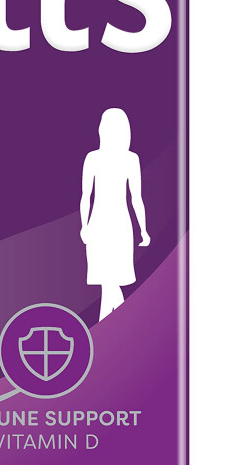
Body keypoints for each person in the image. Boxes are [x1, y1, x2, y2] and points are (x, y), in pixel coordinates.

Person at [79, 108, 150, 320]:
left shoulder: (129, 159)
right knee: (108, 283)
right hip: (103, 225)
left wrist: (144, 230)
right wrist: (84, 227)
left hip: (114, 225)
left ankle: (116, 327)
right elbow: (86, 196)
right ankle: (124, 326)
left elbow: (136, 198)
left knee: (109, 283)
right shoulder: (95, 158)